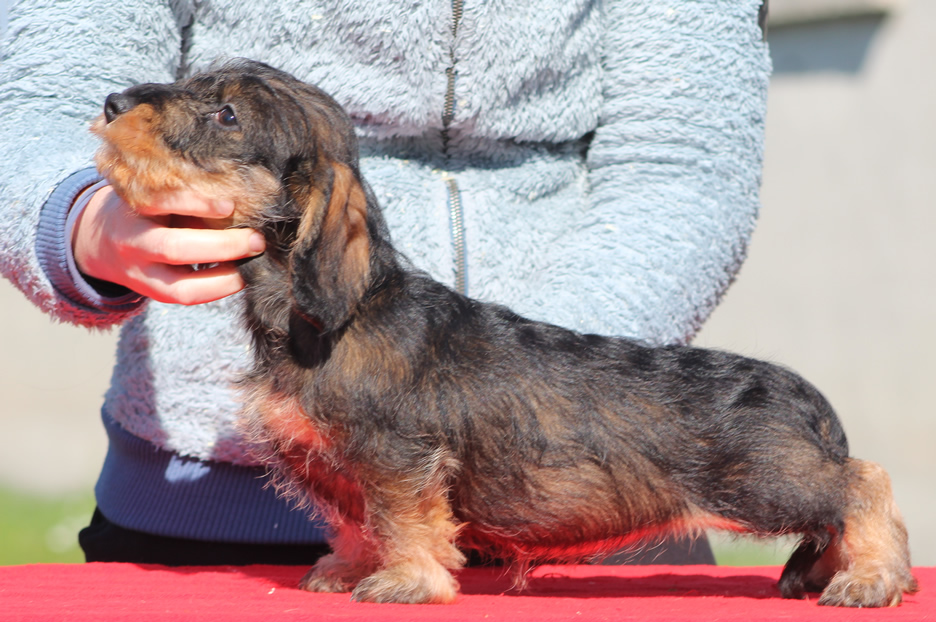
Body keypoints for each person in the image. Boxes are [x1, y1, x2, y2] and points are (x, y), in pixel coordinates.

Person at [0, 1, 770, 566]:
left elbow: (683, 164)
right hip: (206, 506)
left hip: (585, 480)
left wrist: (519, 404)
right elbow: (48, 89)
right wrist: (79, 218)